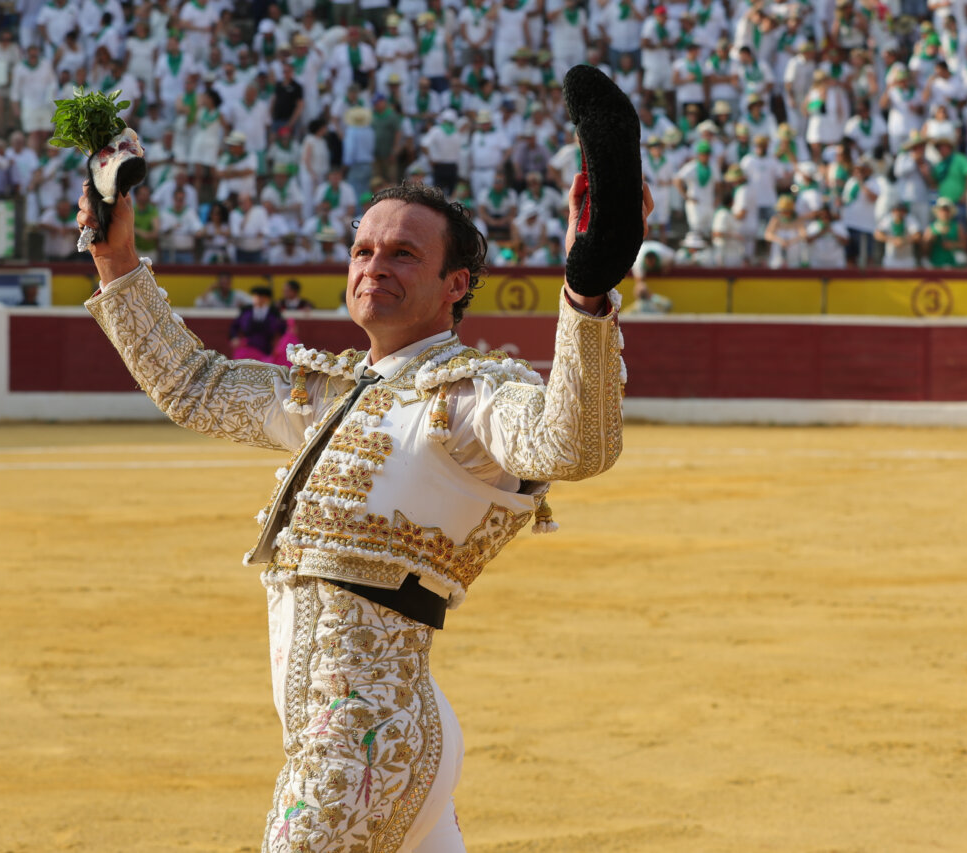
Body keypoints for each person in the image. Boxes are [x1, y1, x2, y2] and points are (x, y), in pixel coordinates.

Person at [76, 146, 645, 848]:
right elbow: (193, 385)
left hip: (363, 743)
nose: (374, 266)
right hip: (362, 730)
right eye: (363, 251)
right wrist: (115, 258)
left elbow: (572, 444)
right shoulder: (329, 393)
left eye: (403, 253)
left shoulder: (472, 398)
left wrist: (586, 294)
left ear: (455, 284)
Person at [229, 284, 288, 360]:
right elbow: (234, 326)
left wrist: (280, 346)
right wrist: (234, 337)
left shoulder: (274, 313)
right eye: (255, 296)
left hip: (266, 349)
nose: (257, 299)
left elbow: (283, 330)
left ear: (266, 299)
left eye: (260, 296)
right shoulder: (246, 311)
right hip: (247, 347)